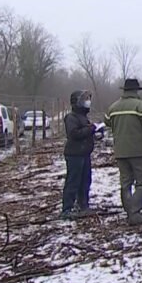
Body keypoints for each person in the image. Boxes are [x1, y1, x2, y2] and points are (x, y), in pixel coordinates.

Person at [105, 78, 142, 225]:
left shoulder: (113, 107)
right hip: (138, 151)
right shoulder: (141, 106)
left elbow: (107, 122)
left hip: (120, 151)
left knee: (125, 183)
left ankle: (129, 211)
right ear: (136, 91)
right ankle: (134, 212)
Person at [61, 90, 103, 220]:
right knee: (73, 181)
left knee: (85, 181)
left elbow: (85, 133)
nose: (87, 102)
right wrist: (91, 129)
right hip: (74, 154)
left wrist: (97, 133)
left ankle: (83, 205)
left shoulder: (83, 117)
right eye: (84, 99)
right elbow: (74, 134)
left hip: (84, 153)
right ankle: (67, 209)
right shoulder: (71, 117)